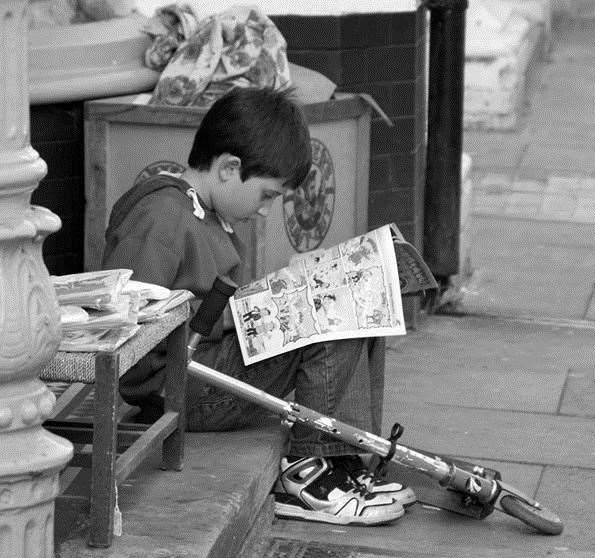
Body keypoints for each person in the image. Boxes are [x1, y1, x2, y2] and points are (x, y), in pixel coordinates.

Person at [102, 88, 414, 526]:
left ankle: (342, 460)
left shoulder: (209, 216)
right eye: (267, 195)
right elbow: (130, 322)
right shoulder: (161, 217)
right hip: (181, 387)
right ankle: (308, 472)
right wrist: (233, 315)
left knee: (358, 298)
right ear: (230, 168)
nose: (266, 211)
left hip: (202, 371)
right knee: (332, 313)